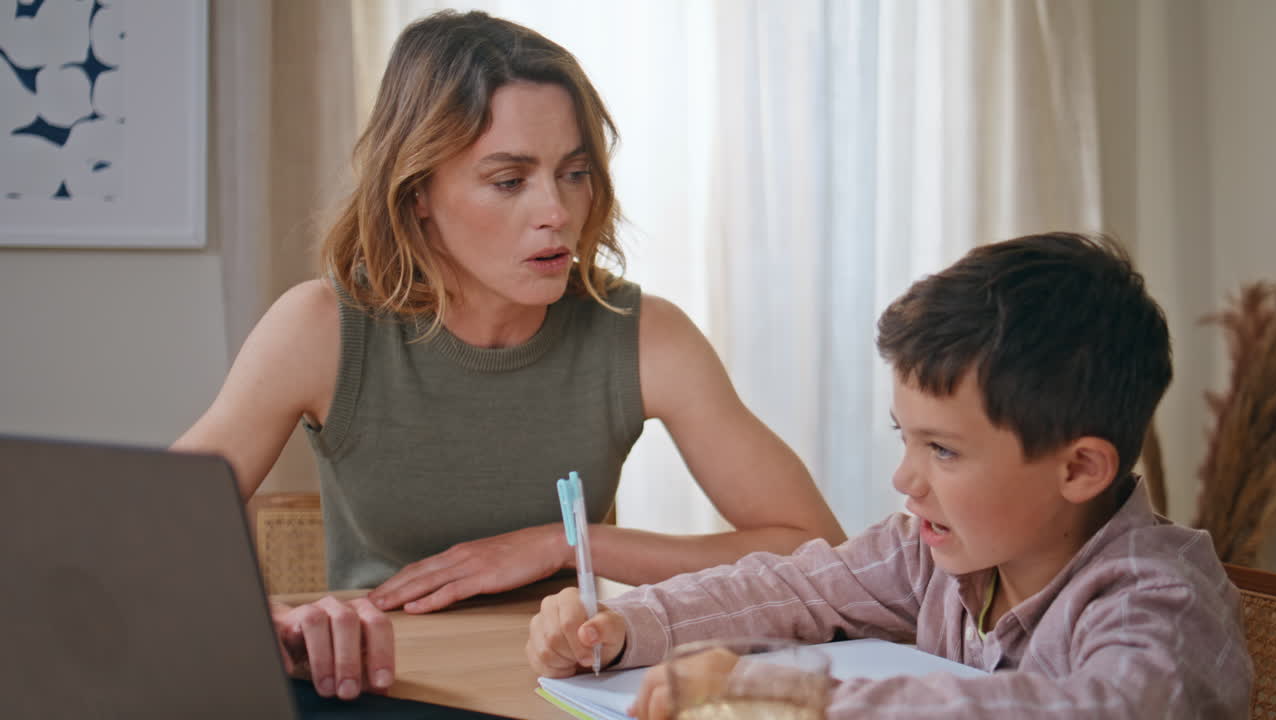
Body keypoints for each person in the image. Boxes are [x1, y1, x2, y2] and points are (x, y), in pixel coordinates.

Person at [172, 9, 846, 701]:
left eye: (574, 172)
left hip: (565, 688)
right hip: (374, 691)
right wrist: (273, 620)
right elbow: (143, 529)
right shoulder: (321, 327)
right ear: (419, 193)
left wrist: (566, 543)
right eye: (509, 180)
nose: (556, 210)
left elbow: (817, 550)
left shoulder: (644, 334)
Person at [527, 232, 1253, 719]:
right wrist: (625, 627)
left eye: (943, 450)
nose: (906, 479)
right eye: (905, 439)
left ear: (1079, 468)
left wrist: (789, 698)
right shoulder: (930, 551)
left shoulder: (1157, 602)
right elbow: (791, 587)